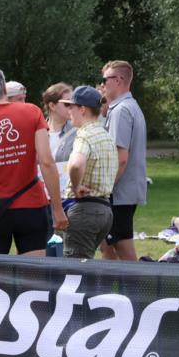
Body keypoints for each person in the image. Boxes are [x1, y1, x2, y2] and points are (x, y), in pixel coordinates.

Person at [0, 65, 67, 255]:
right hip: (31, 206)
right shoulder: (32, 112)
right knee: (34, 276)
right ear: (3, 88)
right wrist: (57, 209)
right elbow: (47, 162)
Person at [59, 86, 118, 259]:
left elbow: (76, 165)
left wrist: (76, 187)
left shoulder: (84, 135)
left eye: (71, 106)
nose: (69, 111)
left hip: (85, 211)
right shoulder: (105, 135)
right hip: (105, 212)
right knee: (86, 263)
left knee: (76, 270)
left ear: (82, 109)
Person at [98, 60, 147, 260]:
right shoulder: (128, 106)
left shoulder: (121, 110)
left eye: (104, 80)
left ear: (118, 80)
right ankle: (106, 288)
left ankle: (137, 289)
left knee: (121, 244)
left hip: (119, 193)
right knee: (106, 242)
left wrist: (105, 189)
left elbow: (121, 158)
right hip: (124, 190)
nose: (102, 85)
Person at [42, 82, 76, 209]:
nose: (72, 107)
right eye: (67, 103)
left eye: (73, 103)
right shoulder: (37, 132)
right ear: (52, 105)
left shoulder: (79, 130)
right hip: (43, 200)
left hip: (70, 199)